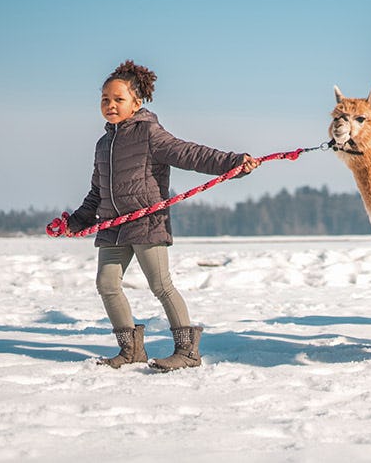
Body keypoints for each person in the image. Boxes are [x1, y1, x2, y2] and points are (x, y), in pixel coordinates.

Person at [63, 60, 259, 372]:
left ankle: (187, 351)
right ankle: (130, 350)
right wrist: (76, 221)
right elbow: (97, 193)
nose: (110, 105)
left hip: (145, 222)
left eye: (118, 99)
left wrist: (232, 162)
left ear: (136, 103)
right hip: (113, 226)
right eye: (105, 99)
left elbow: (190, 153)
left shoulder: (150, 134)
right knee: (107, 283)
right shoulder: (103, 144)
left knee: (160, 284)